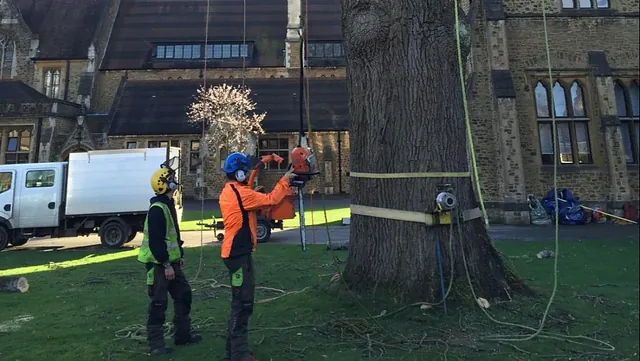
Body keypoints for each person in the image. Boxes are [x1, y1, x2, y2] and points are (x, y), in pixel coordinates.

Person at [219, 152, 296, 361]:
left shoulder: (231, 190)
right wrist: (285, 180)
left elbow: (248, 203)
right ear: (240, 173)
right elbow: (271, 200)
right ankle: (239, 354)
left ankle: (232, 352)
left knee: (239, 304)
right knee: (243, 306)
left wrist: (255, 193)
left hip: (235, 252)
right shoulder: (243, 194)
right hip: (238, 254)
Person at [137, 165, 202, 356]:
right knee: (158, 304)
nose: (175, 182)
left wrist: (178, 256)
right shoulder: (158, 209)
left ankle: (183, 335)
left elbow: (173, 236)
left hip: (171, 263)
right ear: (163, 185)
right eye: (171, 179)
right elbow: (157, 241)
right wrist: (166, 264)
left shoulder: (168, 205)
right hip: (158, 265)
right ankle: (156, 344)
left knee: (183, 295)